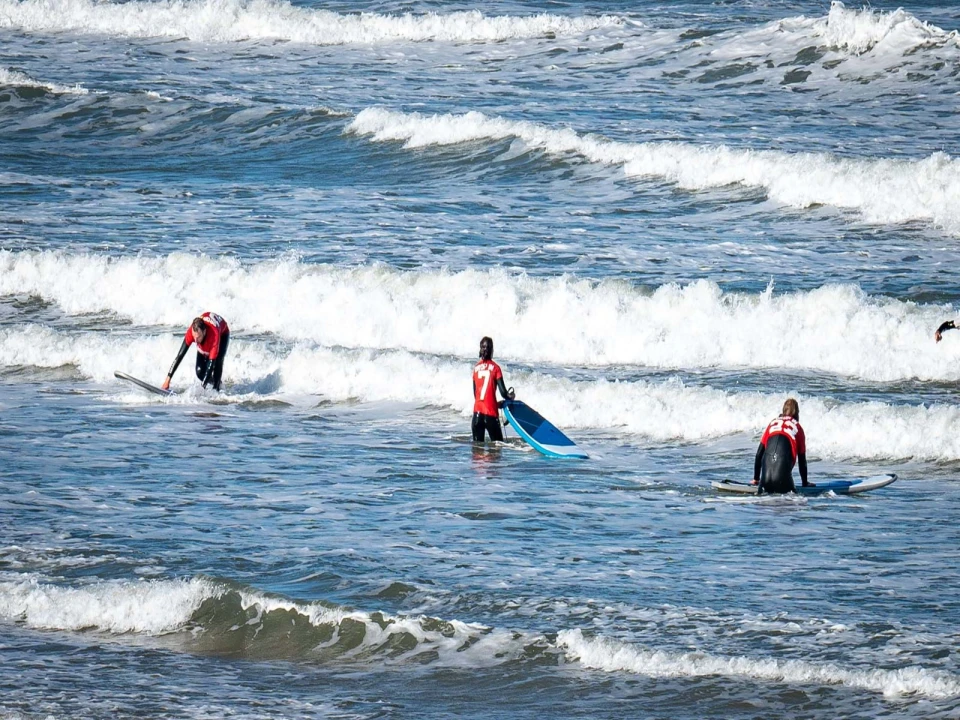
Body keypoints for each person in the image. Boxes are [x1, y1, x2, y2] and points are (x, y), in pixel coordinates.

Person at [752, 398, 811, 494]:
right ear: (797, 414)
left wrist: (756, 479)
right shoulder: (797, 427)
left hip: (765, 479)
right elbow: (802, 460)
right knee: (795, 501)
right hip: (783, 480)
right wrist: (805, 483)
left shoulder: (773, 423)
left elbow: (759, 454)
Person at [161, 312, 230, 391]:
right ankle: (217, 383)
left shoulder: (214, 335)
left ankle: (216, 387)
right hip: (207, 334)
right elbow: (180, 356)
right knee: (200, 372)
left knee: (218, 360)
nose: (196, 341)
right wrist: (167, 380)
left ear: (204, 331)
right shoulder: (191, 333)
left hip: (223, 334)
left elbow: (211, 364)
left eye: (198, 337)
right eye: (194, 337)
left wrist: (201, 388)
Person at [472, 336, 515, 442]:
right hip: (491, 415)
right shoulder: (496, 368)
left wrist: (496, 404)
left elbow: (477, 395)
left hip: (477, 415)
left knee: (477, 449)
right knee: (497, 448)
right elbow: (504, 393)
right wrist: (511, 396)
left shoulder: (476, 369)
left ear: (480, 349)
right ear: (492, 350)